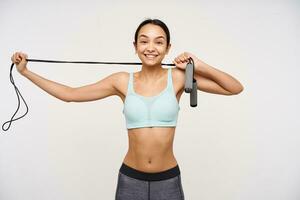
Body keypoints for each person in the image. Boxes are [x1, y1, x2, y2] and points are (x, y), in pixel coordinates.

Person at [11, 18, 243, 200]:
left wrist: (199, 64)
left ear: (167, 47)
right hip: (130, 180)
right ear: (135, 46)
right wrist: (26, 72)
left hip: (168, 180)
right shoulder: (121, 81)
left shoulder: (180, 78)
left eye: (158, 41)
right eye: (144, 41)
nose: (150, 47)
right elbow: (70, 94)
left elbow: (234, 88)